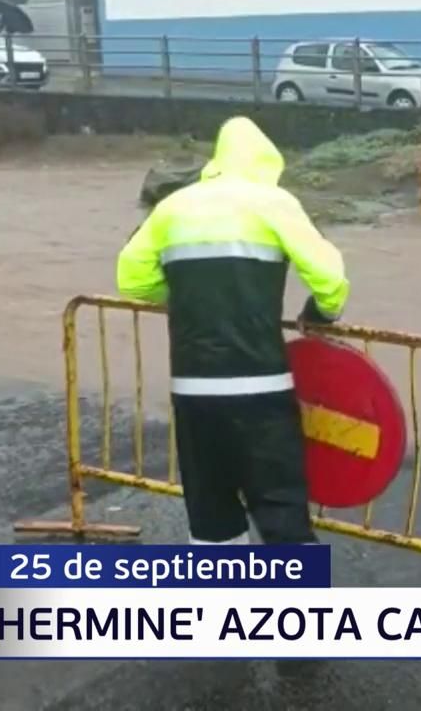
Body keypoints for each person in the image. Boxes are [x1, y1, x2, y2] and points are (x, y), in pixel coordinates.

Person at [116, 116, 350, 546]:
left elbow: (131, 279)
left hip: (193, 391)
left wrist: (191, 294)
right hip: (261, 388)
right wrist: (320, 312)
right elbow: (329, 277)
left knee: (211, 517)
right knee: (282, 517)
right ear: (266, 162)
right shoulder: (273, 202)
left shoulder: (174, 207)